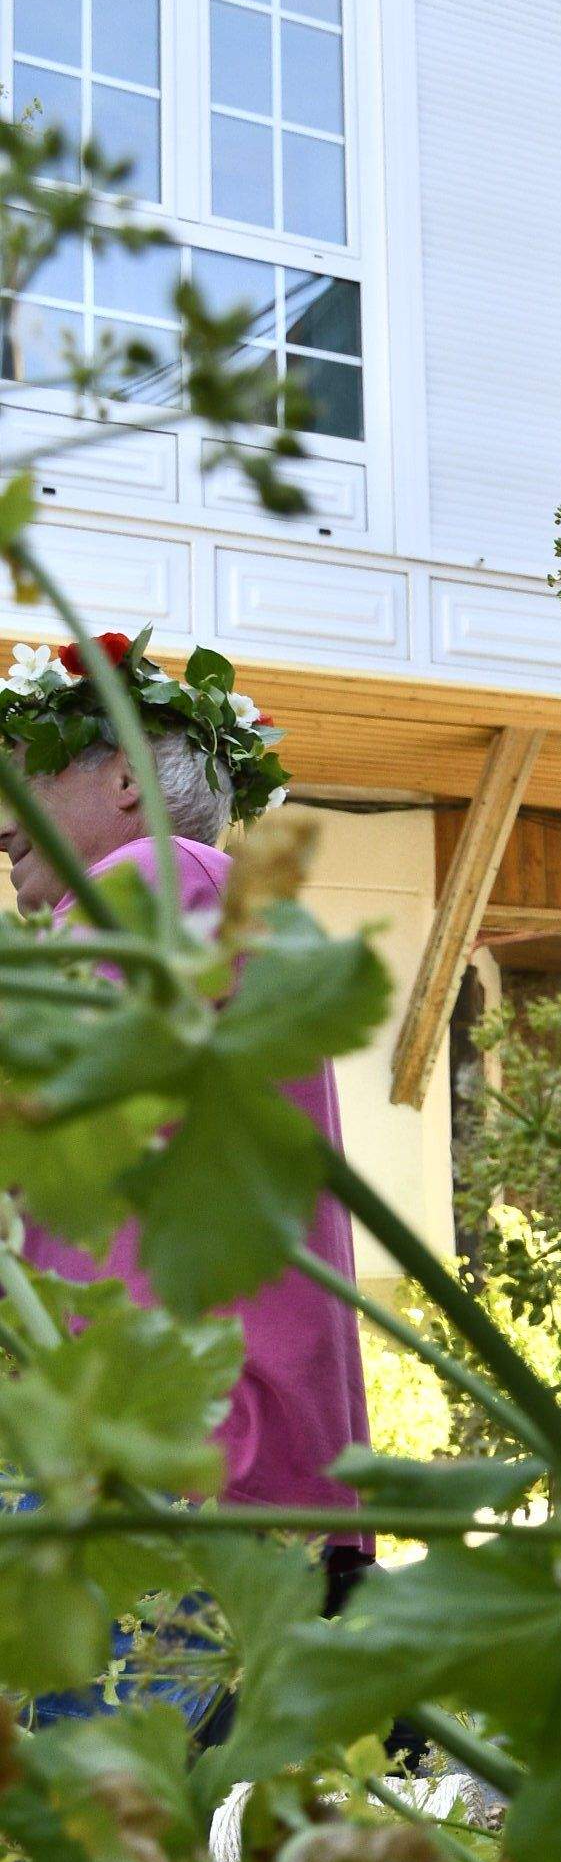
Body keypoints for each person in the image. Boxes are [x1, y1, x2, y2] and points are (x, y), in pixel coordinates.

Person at [0, 628, 374, 1723]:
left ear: (123, 775)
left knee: (117, 1831)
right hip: (196, 1457)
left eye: (26, 769)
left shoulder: (160, 873)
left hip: (184, 1456)